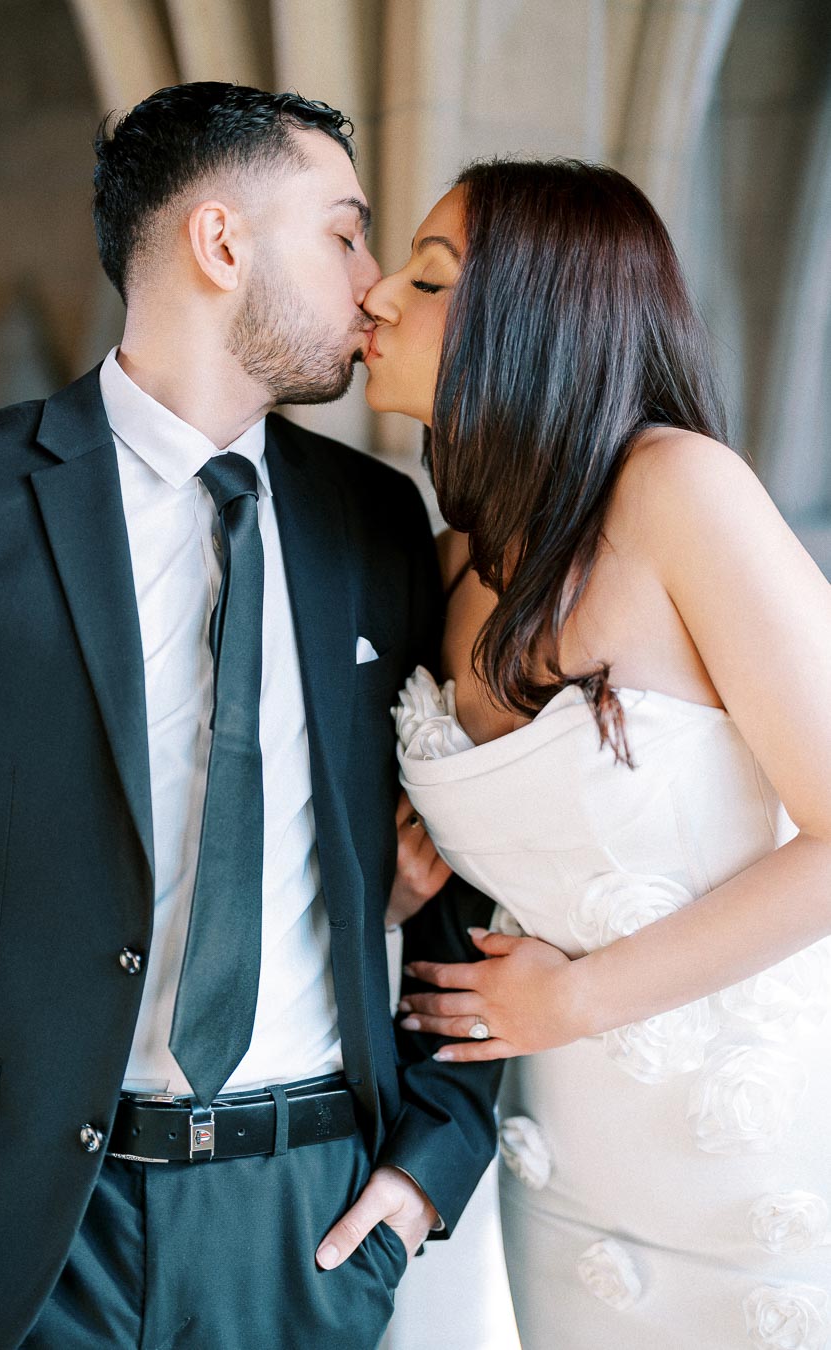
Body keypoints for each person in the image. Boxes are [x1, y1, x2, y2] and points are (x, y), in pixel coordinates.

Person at [0, 83, 502, 1350]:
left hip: (305, 1226)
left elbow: (468, 875)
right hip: (7, 1231)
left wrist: (425, 1175)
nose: (368, 286)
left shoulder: (379, 525)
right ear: (222, 241)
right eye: (344, 233)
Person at [363, 159, 831, 1347]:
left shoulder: (677, 492)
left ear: (536, 311)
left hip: (760, 1155)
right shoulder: (447, 564)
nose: (373, 297)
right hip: (561, 1169)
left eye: (425, 279)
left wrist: (574, 996)